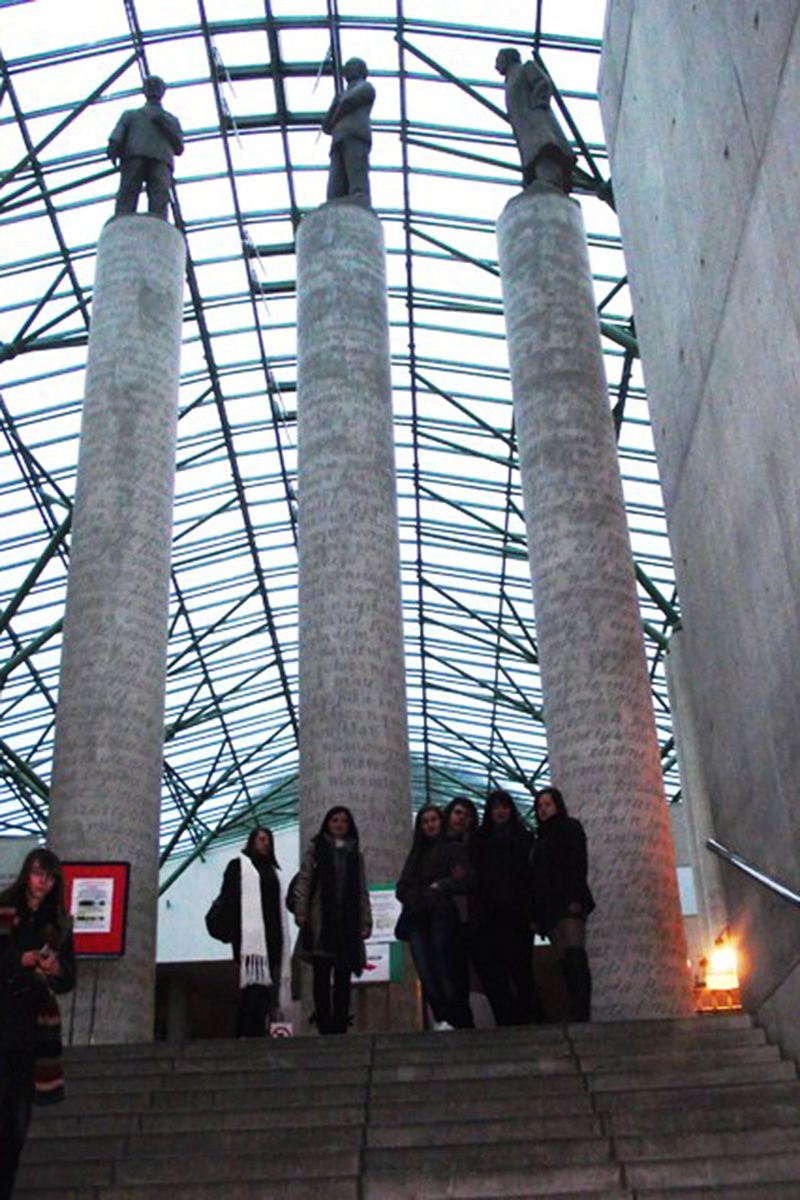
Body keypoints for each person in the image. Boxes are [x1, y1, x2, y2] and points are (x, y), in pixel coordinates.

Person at [0, 848, 76, 1200]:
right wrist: (21, 959)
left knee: (17, 1121)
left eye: (48, 876)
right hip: (5, 1012)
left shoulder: (58, 925)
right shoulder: (5, 909)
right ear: (26, 875)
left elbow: (68, 978)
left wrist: (55, 969)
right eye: (36, 873)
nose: (41, 882)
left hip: (32, 1028)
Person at [293, 806, 372, 1034]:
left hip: (347, 923)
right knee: (321, 974)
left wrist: (365, 920)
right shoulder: (315, 851)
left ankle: (340, 1024)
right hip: (321, 922)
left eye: (344, 821)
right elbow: (305, 880)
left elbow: (361, 890)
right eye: (335, 820)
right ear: (327, 823)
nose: (339, 824)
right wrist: (301, 910)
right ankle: (323, 1023)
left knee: (343, 976)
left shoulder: (355, 854)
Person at [472, 789, 543, 1025]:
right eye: (496, 808)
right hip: (490, 916)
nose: (500, 812)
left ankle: (532, 1017)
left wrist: (533, 914)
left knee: (521, 968)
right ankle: (510, 1018)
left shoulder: (523, 838)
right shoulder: (481, 840)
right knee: (498, 969)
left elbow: (532, 878)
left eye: (504, 807)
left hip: (518, 914)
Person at [530, 786, 595, 1021]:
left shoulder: (569, 827)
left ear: (557, 805)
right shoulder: (540, 838)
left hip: (567, 899)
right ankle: (576, 1007)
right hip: (549, 905)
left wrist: (575, 897)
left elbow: (578, 862)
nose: (543, 809)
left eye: (547, 804)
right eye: (539, 806)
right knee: (564, 958)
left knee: (574, 952)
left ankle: (581, 1011)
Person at [395, 805, 462, 1031]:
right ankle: (441, 1017)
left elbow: (465, 878)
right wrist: (415, 894)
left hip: (441, 916)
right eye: (425, 821)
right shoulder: (416, 854)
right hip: (417, 917)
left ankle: (453, 1017)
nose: (430, 825)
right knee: (425, 970)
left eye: (434, 820)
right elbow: (402, 887)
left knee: (443, 967)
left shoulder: (452, 848)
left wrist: (440, 886)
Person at [218, 827, 284, 1037]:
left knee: (266, 986)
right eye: (262, 839)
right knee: (252, 985)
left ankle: (256, 1030)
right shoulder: (239, 866)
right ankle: (245, 1031)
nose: (266, 843)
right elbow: (228, 898)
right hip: (248, 935)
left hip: (271, 935)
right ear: (252, 841)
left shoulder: (273, 870)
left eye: (268, 840)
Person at [494, 47, 576, 192]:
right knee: (534, 153)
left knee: (543, 148)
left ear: (508, 58)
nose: (496, 66)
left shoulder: (525, 67)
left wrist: (537, 105)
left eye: (498, 60)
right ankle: (541, 179)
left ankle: (550, 179)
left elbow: (543, 82)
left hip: (536, 122)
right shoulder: (509, 81)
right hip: (525, 127)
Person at [107, 75, 184, 219]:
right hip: (135, 155)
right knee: (129, 188)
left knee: (159, 193)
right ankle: (123, 216)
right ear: (144, 91)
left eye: (157, 87)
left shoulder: (171, 120)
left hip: (161, 159)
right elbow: (117, 135)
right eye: (150, 86)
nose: (154, 90)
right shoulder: (131, 114)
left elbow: (179, 147)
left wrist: (165, 125)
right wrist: (114, 146)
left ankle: (158, 220)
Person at [434, 796, 478, 1028]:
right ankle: (460, 1020)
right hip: (447, 916)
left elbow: (470, 879)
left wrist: (448, 883)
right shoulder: (438, 846)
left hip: (473, 916)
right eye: (458, 813)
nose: (461, 818)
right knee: (451, 970)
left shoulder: (474, 845)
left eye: (467, 815)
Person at [322, 57, 375, 202]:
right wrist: (336, 104)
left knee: (357, 175)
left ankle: (359, 200)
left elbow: (348, 102)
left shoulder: (366, 87)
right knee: (335, 184)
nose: (348, 70)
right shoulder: (341, 96)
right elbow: (326, 126)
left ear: (362, 71)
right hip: (338, 139)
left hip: (356, 134)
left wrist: (337, 109)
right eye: (347, 68)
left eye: (353, 67)